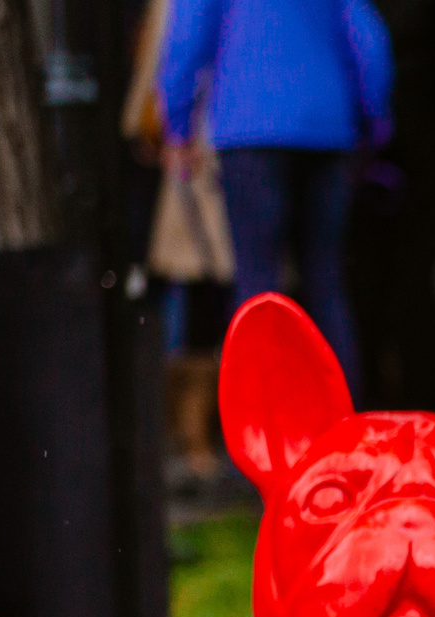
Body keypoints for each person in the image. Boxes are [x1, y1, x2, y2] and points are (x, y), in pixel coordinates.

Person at [158, 0, 395, 386]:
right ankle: (344, 429)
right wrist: (374, 121)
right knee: (326, 284)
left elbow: (187, 37)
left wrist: (178, 125)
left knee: (257, 290)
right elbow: (370, 45)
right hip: (329, 130)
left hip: (249, 129)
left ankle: (263, 430)